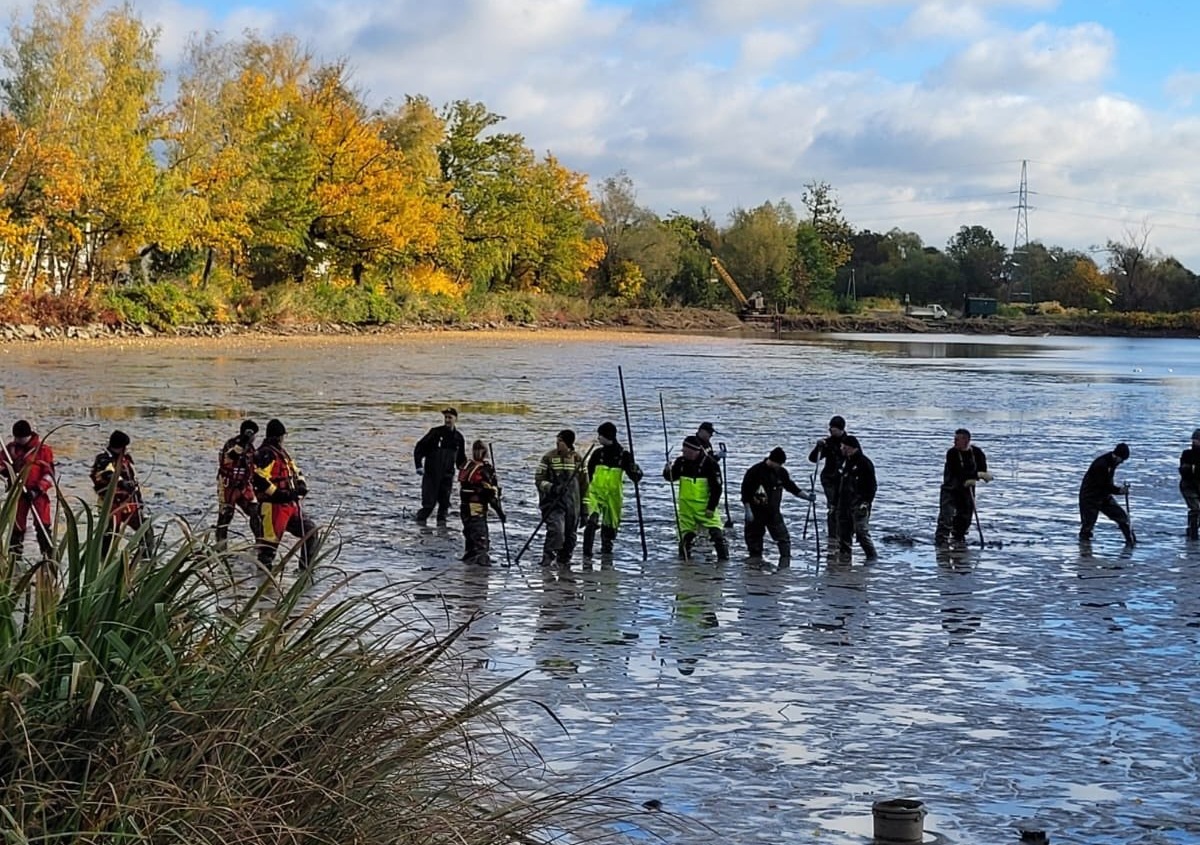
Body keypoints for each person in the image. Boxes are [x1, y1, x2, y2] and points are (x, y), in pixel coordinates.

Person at [252, 419, 319, 569]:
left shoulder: (282, 453)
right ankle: (262, 584)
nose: (283, 440)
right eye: (282, 437)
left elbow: (296, 471)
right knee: (268, 551)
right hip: (273, 507)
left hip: (290, 506)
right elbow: (259, 478)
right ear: (278, 437)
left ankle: (305, 571)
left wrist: (301, 484)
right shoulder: (266, 454)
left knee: (311, 532)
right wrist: (279, 494)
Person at [740, 446, 814, 565]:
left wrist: (806, 496)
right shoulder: (755, 471)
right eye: (779, 463)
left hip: (773, 512)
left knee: (783, 538)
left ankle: (785, 561)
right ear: (772, 460)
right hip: (756, 511)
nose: (780, 466)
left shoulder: (781, 472)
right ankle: (755, 562)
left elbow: (791, 487)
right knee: (754, 539)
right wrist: (747, 509)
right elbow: (745, 492)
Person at [582, 421, 644, 558]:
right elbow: (589, 473)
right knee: (591, 520)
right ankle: (587, 553)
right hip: (595, 493)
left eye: (600, 435)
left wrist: (636, 470)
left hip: (613, 495)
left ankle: (606, 552)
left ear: (607, 436)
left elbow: (636, 478)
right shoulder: (597, 453)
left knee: (610, 525)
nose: (598, 438)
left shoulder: (624, 456)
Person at [664, 435, 729, 561]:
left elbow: (717, 488)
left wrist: (711, 507)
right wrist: (667, 471)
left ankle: (724, 561)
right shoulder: (681, 462)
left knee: (717, 534)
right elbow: (671, 478)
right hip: (686, 508)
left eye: (686, 451)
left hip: (705, 507)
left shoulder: (710, 464)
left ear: (695, 451)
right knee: (685, 537)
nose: (684, 453)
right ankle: (684, 562)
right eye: (683, 451)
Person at [90, 429, 152, 559]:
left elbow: (134, 482)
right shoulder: (103, 460)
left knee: (146, 530)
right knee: (110, 535)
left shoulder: (126, 461)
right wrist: (122, 482)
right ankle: (104, 561)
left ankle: (143, 560)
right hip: (110, 505)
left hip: (128, 502)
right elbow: (107, 474)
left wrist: (139, 502)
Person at [1, 419, 55, 560]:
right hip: (18, 493)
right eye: (16, 438)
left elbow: (49, 475)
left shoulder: (43, 450)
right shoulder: (10, 450)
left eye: (21, 438)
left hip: (37, 493)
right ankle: (14, 559)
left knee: (43, 525)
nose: (18, 441)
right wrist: (7, 471)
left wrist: (37, 490)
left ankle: (48, 557)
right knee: (16, 527)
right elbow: (1, 466)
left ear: (28, 436)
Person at [535, 430, 589, 568]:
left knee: (570, 537)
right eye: (557, 441)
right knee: (556, 531)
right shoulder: (549, 458)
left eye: (560, 441)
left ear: (568, 443)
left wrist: (584, 511)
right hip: (553, 504)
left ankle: (564, 563)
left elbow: (585, 487)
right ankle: (547, 560)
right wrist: (553, 488)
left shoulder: (578, 460)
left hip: (573, 505)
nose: (557, 443)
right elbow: (539, 480)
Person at [934, 428, 992, 547]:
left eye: (957, 440)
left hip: (967, 489)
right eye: (954, 439)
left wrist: (979, 476)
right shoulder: (952, 453)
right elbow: (957, 471)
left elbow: (982, 469)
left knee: (965, 516)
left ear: (966, 440)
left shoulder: (977, 453)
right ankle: (941, 541)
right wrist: (976, 475)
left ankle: (958, 538)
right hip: (950, 488)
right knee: (946, 516)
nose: (954, 442)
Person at [413, 408, 467, 526]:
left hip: (447, 475)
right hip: (431, 475)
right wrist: (418, 465)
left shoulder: (459, 438)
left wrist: (466, 474)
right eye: (446, 417)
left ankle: (442, 530)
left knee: (444, 505)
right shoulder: (435, 433)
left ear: (455, 419)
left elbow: (461, 460)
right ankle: (420, 526)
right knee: (429, 505)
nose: (447, 420)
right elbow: (419, 448)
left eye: (450, 417)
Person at [215, 419, 263, 552]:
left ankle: (260, 543)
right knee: (226, 515)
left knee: (255, 511)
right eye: (254, 435)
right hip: (228, 486)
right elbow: (231, 456)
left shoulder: (251, 448)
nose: (254, 438)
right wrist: (243, 440)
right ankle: (221, 547)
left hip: (244, 486)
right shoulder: (231, 444)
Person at [458, 439, 505, 565]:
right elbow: (489, 494)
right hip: (476, 507)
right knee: (479, 534)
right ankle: (481, 559)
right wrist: (499, 512)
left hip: (464, 506)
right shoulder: (485, 469)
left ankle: (470, 556)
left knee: (469, 532)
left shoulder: (467, 465)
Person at [1079, 442, 1135, 545]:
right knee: (1088, 526)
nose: (1122, 462)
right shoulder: (1101, 464)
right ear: (1117, 455)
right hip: (1090, 498)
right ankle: (1085, 552)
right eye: (1122, 459)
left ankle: (1130, 540)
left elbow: (1107, 485)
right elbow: (1104, 486)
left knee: (1122, 517)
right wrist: (1119, 491)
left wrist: (1118, 490)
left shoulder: (1112, 463)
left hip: (1104, 497)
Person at [835, 435, 878, 560]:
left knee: (861, 533)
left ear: (849, 447)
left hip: (859, 504)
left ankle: (872, 558)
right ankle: (844, 560)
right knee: (843, 534)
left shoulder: (864, 463)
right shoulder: (844, 461)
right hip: (843, 503)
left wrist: (866, 502)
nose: (841, 448)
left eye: (843, 446)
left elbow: (872, 486)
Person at [808, 415, 848, 539]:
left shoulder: (849, 442)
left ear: (841, 429)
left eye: (834, 429)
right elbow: (813, 459)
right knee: (833, 506)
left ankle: (844, 533)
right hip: (829, 479)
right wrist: (818, 447)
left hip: (844, 479)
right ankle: (833, 535)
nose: (832, 431)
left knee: (844, 507)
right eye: (831, 429)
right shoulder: (827, 443)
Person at [1181, 428, 1200, 541]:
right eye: (1194, 440)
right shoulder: (1187, 454)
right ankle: (1193, 533)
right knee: (1195, 509)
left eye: (1196, 440)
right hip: (1189, 486)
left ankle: (1192, 530)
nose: (1194, 442)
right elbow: (1184, 471)